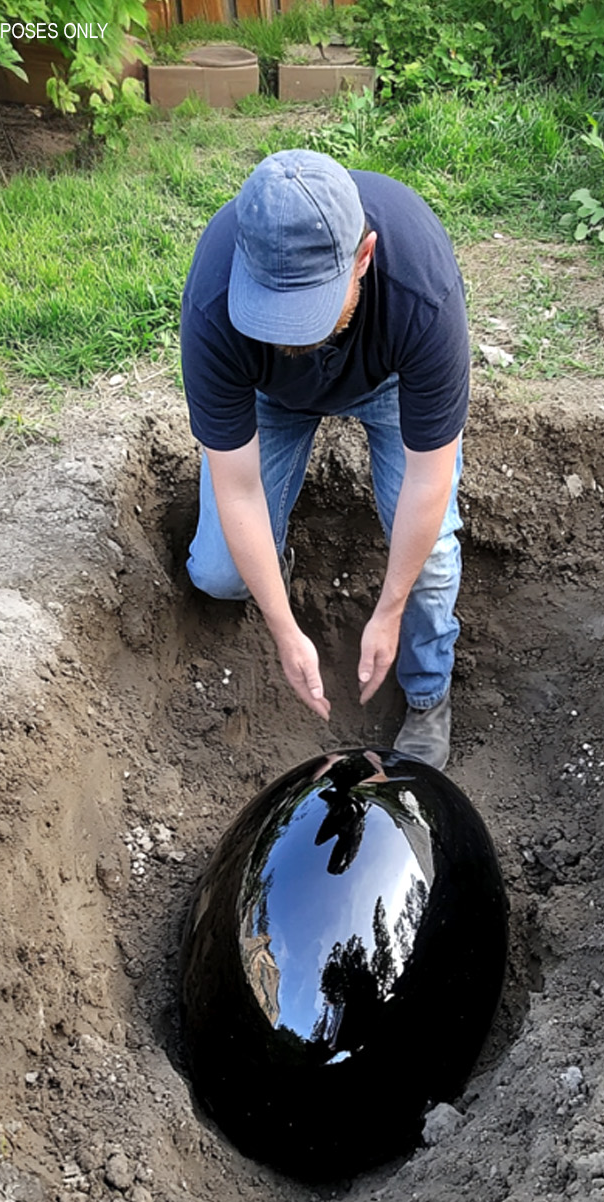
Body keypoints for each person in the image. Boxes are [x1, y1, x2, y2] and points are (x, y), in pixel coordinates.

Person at [180, 149, 469, 771]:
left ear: (363, 258)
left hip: (389, 380)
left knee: (432, 553)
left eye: (307, 311)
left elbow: (429, 476)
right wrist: (284, 629)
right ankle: (274, 557)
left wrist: (388, 610)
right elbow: (237, 488)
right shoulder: (213, 305)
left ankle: (427, 695)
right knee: (221, 573)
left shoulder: (421, 290)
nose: (289, 335)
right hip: (271, 394)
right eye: (273, 312)